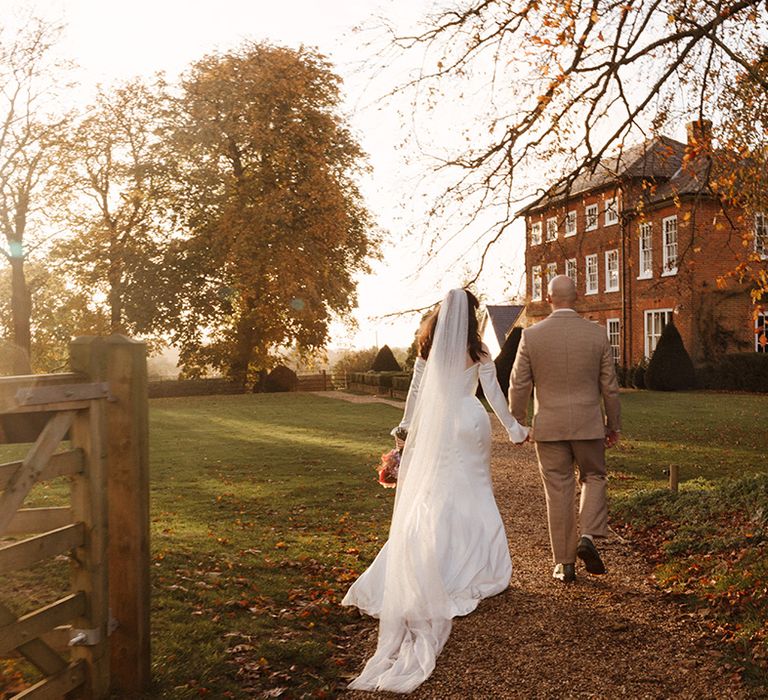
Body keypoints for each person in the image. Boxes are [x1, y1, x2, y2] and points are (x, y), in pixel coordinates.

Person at [342, 288, 528, 693]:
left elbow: (414, 393)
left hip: (439, 424)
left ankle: (435, 558)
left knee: (438, 491)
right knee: (476, 490)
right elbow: (492, 393)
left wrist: (404, 430)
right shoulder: (477, 350)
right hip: (470, 421)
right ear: (472, 315)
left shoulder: (427, 346)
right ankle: (479, 562)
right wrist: (513, 428)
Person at [508, 275, 621, 583]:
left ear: (548, 299)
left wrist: (518, 423)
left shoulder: (531, 336)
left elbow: (518, 385)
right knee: (594, 477)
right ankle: (588, 536)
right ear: (578, 297)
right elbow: (609, 386)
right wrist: (613, 424)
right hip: (588, 424)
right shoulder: (597, 335)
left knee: (558, 490)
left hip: (549, 427)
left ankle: (565, 564)